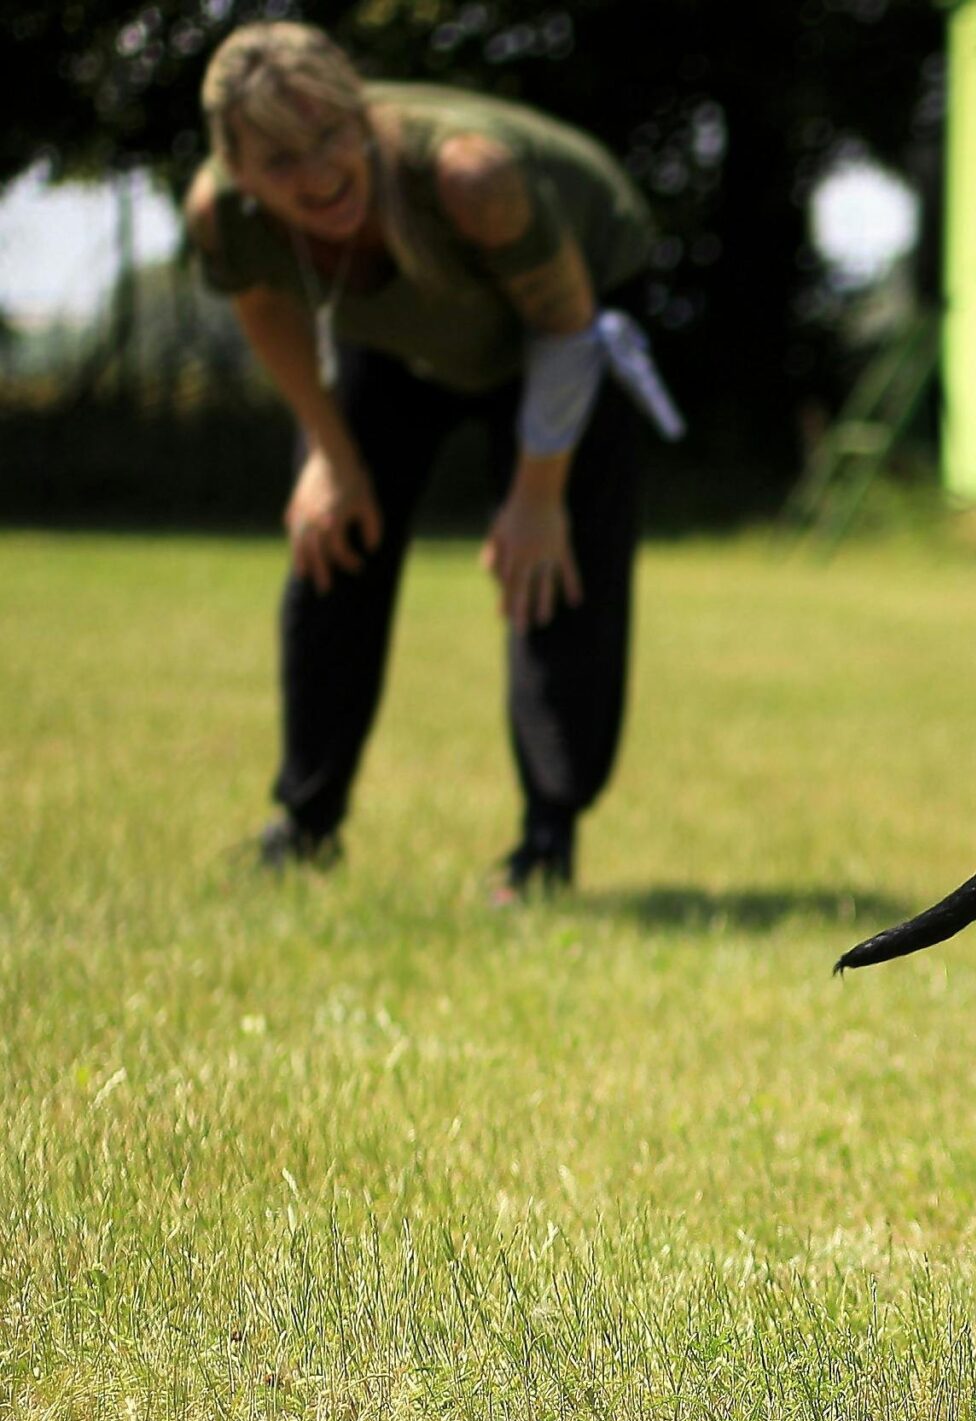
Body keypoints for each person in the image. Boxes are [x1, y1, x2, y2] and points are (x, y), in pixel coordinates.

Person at [186, 22, 681, 898]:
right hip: (401, 335)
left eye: (332, 136)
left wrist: (536, 496)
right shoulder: (225, 215)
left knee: (552, 570)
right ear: (237, 166)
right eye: (281, 160)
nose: (319, 174)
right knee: (330, 542)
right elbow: (264, 305)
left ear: (362, 114)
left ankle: (545, 843)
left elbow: (565, 327)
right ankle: (304, 823)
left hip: (564, 317)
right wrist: (328, 454)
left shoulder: (469, 177)